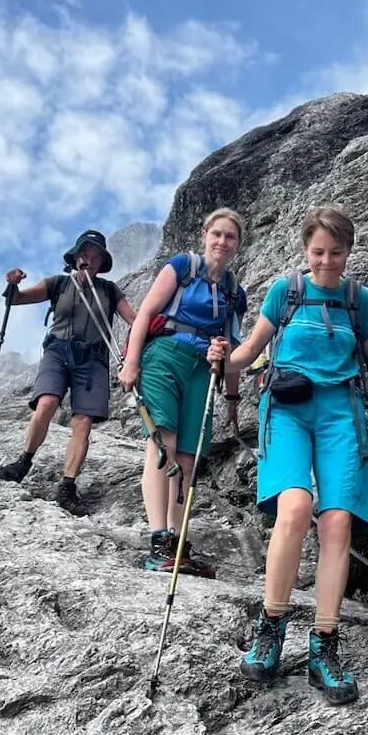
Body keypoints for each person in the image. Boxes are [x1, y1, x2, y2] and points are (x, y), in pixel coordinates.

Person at [208, 205, 368, 705]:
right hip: (286, 409)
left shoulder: (357, 299)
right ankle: (272, 625)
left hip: (342, 412)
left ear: (348, 252)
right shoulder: (287, 291)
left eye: (336, 252)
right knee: (296, 506)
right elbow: (249, 351)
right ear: (306, 250)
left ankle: (324, 643)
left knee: (338, 521)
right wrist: (222, 358)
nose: (327, 261)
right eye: (319, 252)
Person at [121, 208, 248, 578]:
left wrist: (233, 400)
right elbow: (145, 313)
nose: (222, 242)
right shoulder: (181, 266)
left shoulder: (233, 291)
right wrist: (131, 362)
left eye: (230, 237)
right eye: (217, 234)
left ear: (237, 245)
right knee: (165, 443)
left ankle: (177, 542)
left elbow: (232, 348)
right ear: (204, 234)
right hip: (164, 356)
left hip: (204, 368)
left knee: (189, 459)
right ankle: (158, 538)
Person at [0, 229, 136, 516]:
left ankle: (67, 485)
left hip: (93, 359)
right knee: (46, 403)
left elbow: (134, 319)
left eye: (96, 257)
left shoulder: (109, 290)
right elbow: (16, 300)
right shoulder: (58, 283)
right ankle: (24, 461)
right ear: (75, 256)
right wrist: (13, 284)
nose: (89, 260)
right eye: (85, 254)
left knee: (83, 423)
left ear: (101, 262)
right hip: (58, 351)